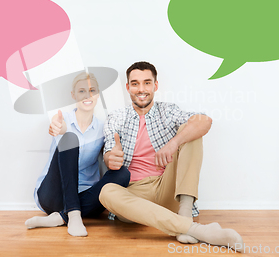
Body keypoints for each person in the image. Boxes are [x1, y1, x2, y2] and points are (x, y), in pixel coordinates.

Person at [99, 61, 244, 252]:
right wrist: (111, 158)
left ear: (155, 86)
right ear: (128, 87)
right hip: (135, 195)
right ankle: (197, 229)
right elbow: (109, 153)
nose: (141, 89)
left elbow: (204, 121)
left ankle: (185, 211)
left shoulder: (168, 111)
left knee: (191, 129)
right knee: (106, 192)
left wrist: (173, 143)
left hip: (167, 186)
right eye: (135, 84)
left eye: (147, 83)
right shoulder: (115, 117)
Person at [25, 72, 130, 237]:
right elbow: (58, 126)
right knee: (70, 138)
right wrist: (59, 129)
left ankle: (61, 217)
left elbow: (109, 157)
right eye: (81, 91)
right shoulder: (62, 119)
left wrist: (113, 155)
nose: (87, 95)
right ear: (73, 95)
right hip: (52, 195)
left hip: (85, 196)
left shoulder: (103, 129)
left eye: (92, 90)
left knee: (123, 174)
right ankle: (73, 214)